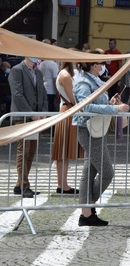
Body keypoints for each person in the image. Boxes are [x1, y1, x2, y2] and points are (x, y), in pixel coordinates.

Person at [73, 53, 129, 226]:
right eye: (102, 63)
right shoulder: (84, 82)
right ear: (94, 65)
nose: (104, 65)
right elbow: (86, 106)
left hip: (96, 128)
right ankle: (87, 207)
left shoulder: (93, 81)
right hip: (88, 129)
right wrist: (114, 109)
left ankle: (87, 212)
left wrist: (111, 103)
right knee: (106, 171)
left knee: (90, 171)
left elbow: (97, 103)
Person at [9, 56, 46, 198]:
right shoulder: (17, 70)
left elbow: (42, 93)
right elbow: (17, 95)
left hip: (35, 118)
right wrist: (31, 114)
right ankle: (24, 185)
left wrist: (43, 113)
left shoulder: (38, 72)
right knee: (23, 150)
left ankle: (20, 184)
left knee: (30, 151)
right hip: (23, 117)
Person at [51, 61, 83, 194]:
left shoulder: (65, 74)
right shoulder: (65, 75)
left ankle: (63, 184)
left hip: (67, 109)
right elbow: (73, 98)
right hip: (68, 110)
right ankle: (62, 184)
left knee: (64, 152)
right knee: (63, 151)